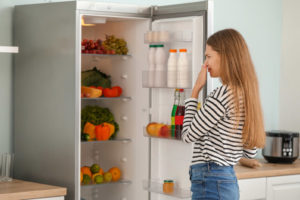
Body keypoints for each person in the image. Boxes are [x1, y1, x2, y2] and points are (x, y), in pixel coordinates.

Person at [181, 29, 266, 200]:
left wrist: (195, 91)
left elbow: (187, 135)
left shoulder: (222, 95)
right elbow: (249, 153)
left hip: (210, 180)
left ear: (225, 56)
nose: (205, 63)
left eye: (208, 56)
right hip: (227, 180)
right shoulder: (246, 94)